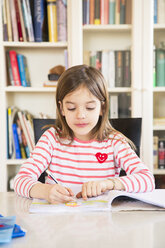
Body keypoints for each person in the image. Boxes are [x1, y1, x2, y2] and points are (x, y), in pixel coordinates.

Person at [14, 65, 155, 204]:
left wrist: (108, 184)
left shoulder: (114, 141)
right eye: (71, 108)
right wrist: (45, 191)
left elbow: (147, 179)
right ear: (62, 108)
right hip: (59, 222)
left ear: (102, 107)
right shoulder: (51, 139)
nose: (80, 115)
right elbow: (20, 181)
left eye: (90, 107)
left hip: (101, 222)